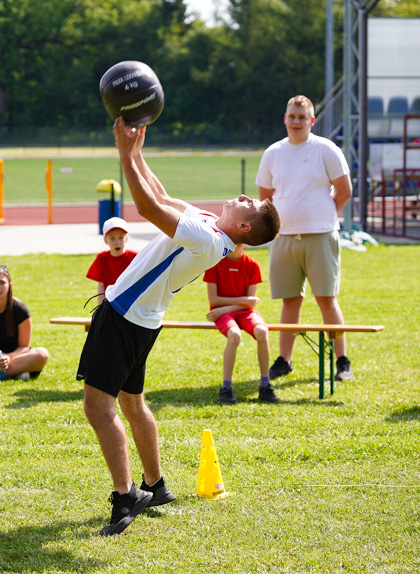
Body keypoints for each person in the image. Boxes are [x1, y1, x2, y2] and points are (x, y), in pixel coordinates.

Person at [78, 117, 280, 536]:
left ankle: (126, 494)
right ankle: (155, 484)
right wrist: (135, 152)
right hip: (143, 321)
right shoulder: (208, 223)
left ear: (244, 227)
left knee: (99, 408)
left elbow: (148, 208)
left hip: (123, 317)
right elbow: (162, 195)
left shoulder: (208, 240)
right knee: (133, 403)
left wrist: (121, 151)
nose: (244, 197)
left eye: (251, 205)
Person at [256, 95, 355, 383]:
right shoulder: (273, 153)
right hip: (284, 238)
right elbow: (265, 198)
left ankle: (342, 361)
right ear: (284, 119)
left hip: (321, 235)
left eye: (302, 117)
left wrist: (328, 215)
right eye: (292, 116)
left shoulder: (326, 149)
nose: (296, 122)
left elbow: (344, 189)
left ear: (312, 121)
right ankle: (285, 360)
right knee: (289, 301)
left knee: (326, 299)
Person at [203, 243, 275, 404]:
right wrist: (241, 302)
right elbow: (214, 300)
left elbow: (251, 304)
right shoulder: (215, 263)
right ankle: (226, 387)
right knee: (234, 335)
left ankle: (265, 385)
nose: (238, 242)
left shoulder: (252, 264)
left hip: (240, 312)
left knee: (262, 332)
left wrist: (228, 307)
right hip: (221, 313)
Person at [87, 216, 138, 297]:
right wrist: (101, 306)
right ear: (105, 240)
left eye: (121, 238)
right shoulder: (102, 257)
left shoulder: (135, 257)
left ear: (126, 238)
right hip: (110, 301)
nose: (117, 242)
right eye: (112, 238)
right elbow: (101, 285)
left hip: (130, 299)